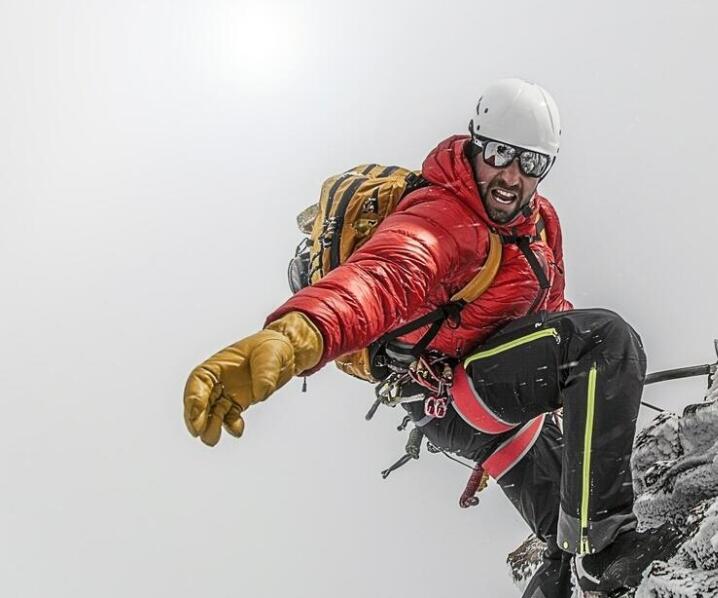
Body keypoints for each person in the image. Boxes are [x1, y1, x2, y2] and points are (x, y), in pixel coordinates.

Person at [182, 79, 678, 597]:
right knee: (605, 342)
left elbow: (551, 315)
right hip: (460, 393)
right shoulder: (445, 217)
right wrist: (294, 337)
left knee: (562, 531)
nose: (511, 176)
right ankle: (603, 555)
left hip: (493, 403)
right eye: (500, 154)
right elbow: (380, 279)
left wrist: (570, 403)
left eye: (530, 163)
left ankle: (572, 576)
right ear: (474, 145)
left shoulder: (542, 226)